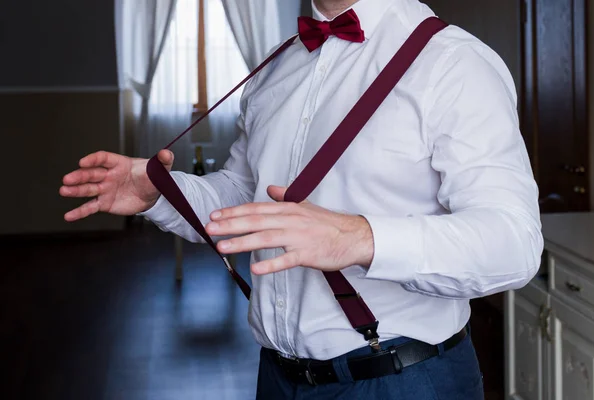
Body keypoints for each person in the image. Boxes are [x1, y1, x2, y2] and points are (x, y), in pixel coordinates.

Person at [60, 0, 543, 398]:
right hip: (277, 378)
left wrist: (359, 237)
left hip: (404, 380)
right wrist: (160, 194)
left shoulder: (453, 62)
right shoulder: (276, 67)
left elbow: (513, 243)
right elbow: (242, 197)